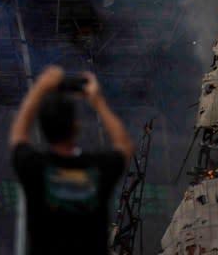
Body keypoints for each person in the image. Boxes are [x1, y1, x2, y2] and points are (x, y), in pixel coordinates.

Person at [10, 66, 133, 254]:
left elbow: (18, 136)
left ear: (43, 128)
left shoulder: (35, 167)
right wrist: (98, 102)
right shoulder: (97, 168)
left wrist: (40, 88)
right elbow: (123, 146)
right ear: (75, 127)